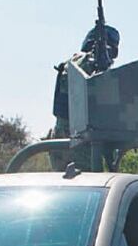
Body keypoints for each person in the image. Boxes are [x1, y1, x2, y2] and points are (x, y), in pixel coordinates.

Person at [50, 24, 121, 170]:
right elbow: (79, 68)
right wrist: (93, 59)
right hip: (74, 138)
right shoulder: (79, 61)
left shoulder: (98, 75)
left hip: (78, 138)